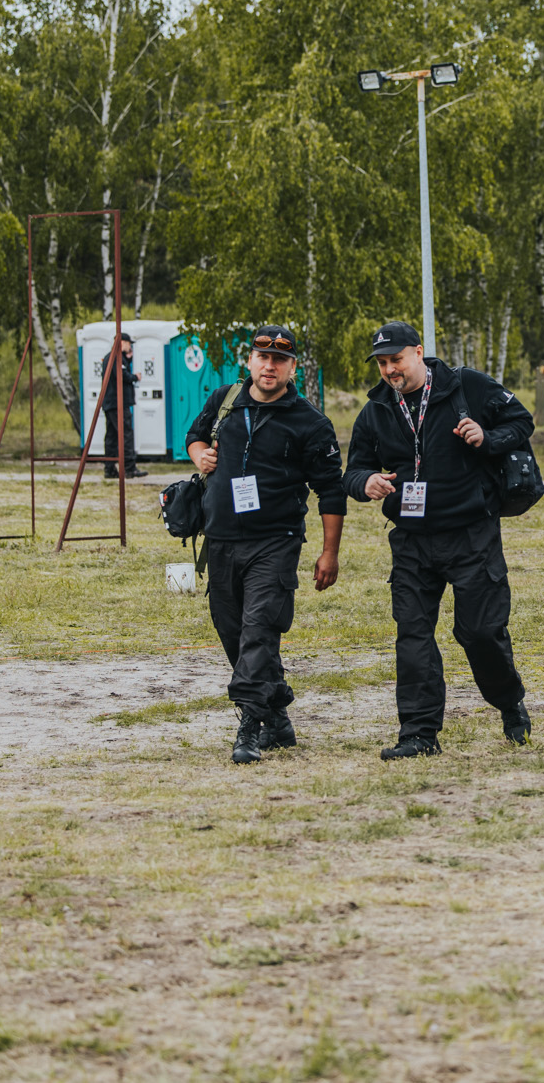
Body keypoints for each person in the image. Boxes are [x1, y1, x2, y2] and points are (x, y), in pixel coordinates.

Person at [345, 321, 535, 759]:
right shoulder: (375, 410)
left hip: (471, 534)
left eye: (396, 359)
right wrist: (365, 482)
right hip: (412, 540)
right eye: (382, 363)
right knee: (413, 636)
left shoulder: (466, 386)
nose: (389, 370)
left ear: (418, 352)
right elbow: (353, 471)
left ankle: (509, 702)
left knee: (480, 633)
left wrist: (487, 438)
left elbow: (521, 422)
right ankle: (418, 734)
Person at [186, 326, 346, 765]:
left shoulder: (311, 422)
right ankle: (277, 717)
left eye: (279, 360)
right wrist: (199, 454)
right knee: (233, 634)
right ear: (250, 361)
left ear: (293, 368)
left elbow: (331, 492)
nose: (269, 366)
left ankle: (249, 727)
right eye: (262, 357)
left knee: (259, 630)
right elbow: (194, 436)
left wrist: (329, 552)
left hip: (275, 543)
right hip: (220, 539)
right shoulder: (225, 400)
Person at [99, 334, 139, 480]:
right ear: (122, 343)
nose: (130, 346)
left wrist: (128, 359)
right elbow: (122, 376)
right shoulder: (117, 358)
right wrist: (135, 377)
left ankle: (109, 468)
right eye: (129, 343)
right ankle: (129, 468)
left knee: (111, 437)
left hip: (110, 403)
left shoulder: (110, 357)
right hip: (118, 403)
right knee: (126, 434)